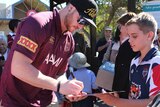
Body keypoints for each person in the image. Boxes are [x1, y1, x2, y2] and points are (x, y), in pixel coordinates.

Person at [0, 0, 98, 106]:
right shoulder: (38, 24)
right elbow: (18, 67)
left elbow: (59, 74)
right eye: (82, 21)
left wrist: (67, 88)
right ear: (70, 8)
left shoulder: (69, 41)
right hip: (14, 101)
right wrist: (59, 86)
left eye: (86, 24)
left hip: (43, 102)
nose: (81, 27)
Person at [95, 12, 160, 107]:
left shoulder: (156, 62)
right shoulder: (134, 61)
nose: (129, 40)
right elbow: (133, 95)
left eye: (134, 36)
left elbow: (155, 103)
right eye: (129, 36)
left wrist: (115, 101)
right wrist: (119, 98)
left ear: (149, 35)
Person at [112, 12, 137, 99]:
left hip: (125, 90)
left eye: (120, 26)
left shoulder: (127, 45)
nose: (120, 30)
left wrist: (116, 90)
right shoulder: (130, 44)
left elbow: (123, 69)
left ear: (127, 26)